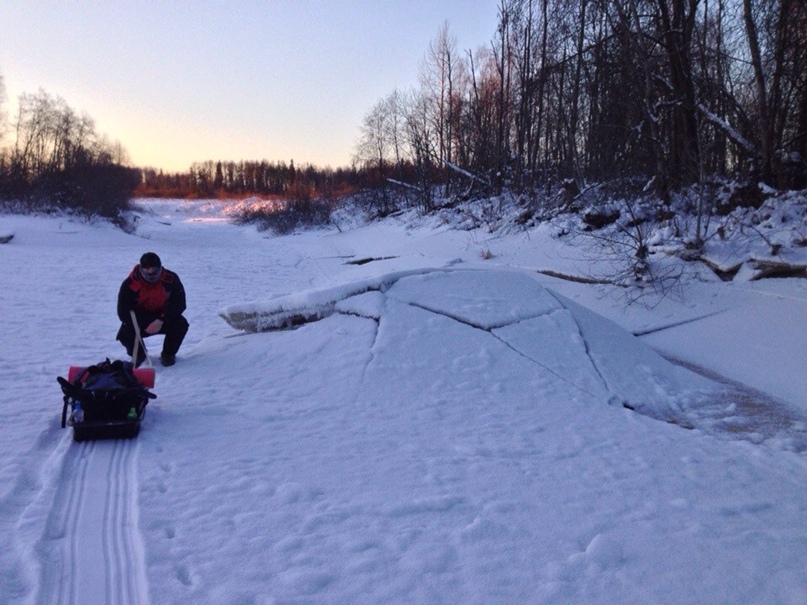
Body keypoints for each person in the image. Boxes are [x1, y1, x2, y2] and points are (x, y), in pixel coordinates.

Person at [116, 252, 188, 367]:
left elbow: (180, 304)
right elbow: (123, 312)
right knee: (125, 332)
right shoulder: (130, 284)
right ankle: (140, 355)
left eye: (154, 269)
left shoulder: (171, 279)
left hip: (163, 317)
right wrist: (147, 321)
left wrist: (161, 319)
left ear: (160, 268)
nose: (150, 272)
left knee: (181, 324)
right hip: (140, 320)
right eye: (146, 269)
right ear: (141, 269)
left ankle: (168, 355)